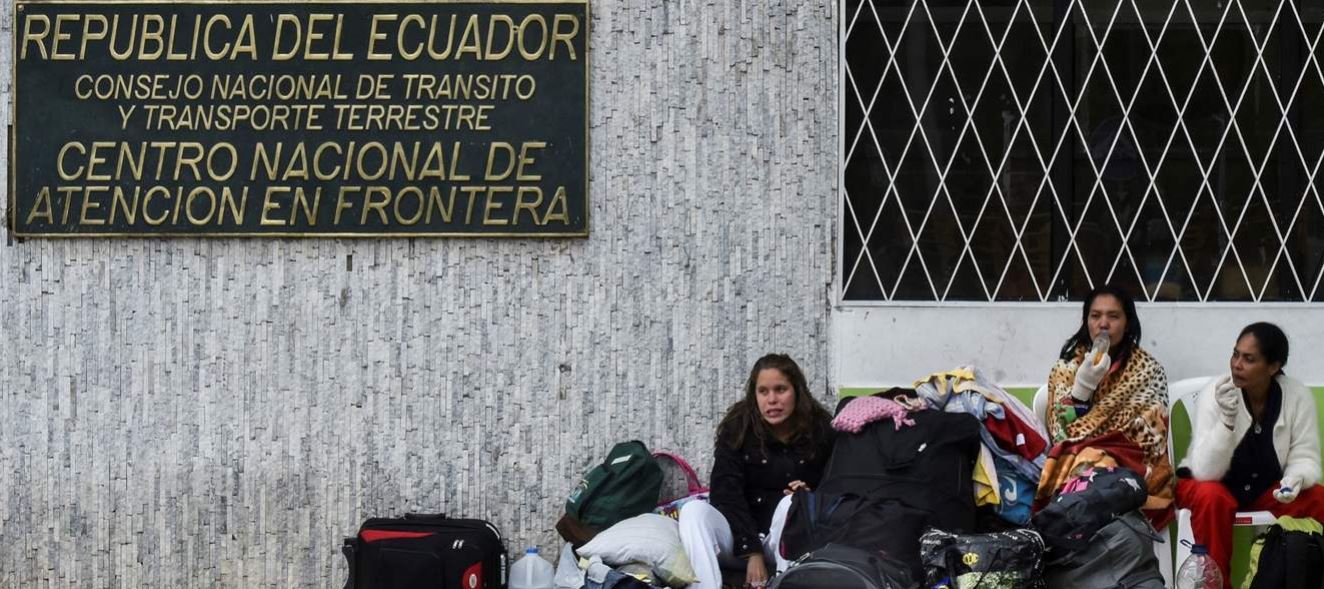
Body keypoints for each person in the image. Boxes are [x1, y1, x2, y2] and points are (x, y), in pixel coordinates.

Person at [1177, 322, 1323, 587]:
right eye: (1235, 354)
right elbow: (1205, 470)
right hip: (1209, 484)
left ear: (1273, 366)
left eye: (1249, 359)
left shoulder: (1296, 395)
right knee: (1212, 498)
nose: (1237, 365)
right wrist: (1227, 422)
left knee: (1318, 498)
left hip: (1266, 488)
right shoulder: (1216, 392)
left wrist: (1295, 479)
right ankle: (1216, 585)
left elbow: (1305, 456)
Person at [678, 354, 833, 589]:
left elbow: (835, 485)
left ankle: (786, 583)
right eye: (763, 391)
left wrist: (810, 497)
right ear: (754, 395)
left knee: (793, 501)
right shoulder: (738, 427)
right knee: (693, 511)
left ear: (797, 391)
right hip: (739, 539)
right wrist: (751, 550)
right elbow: (725, 492)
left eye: (780, 389)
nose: (772, 400)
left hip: (787, 540)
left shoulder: (820, 428)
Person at [1036, 285, 1175, 525]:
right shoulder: (1066, 368)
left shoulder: (1148, 370)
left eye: (1113, 316)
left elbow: (1151, 437)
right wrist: (1081, 391)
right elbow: (1060, 435)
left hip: (1132, 465)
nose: (1103, 324)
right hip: (1076, 463)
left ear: (1127, 322)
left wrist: (1097, 445)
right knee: (1089, 465)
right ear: (1086, 321)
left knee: (1098, 466)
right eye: (1095, 315)